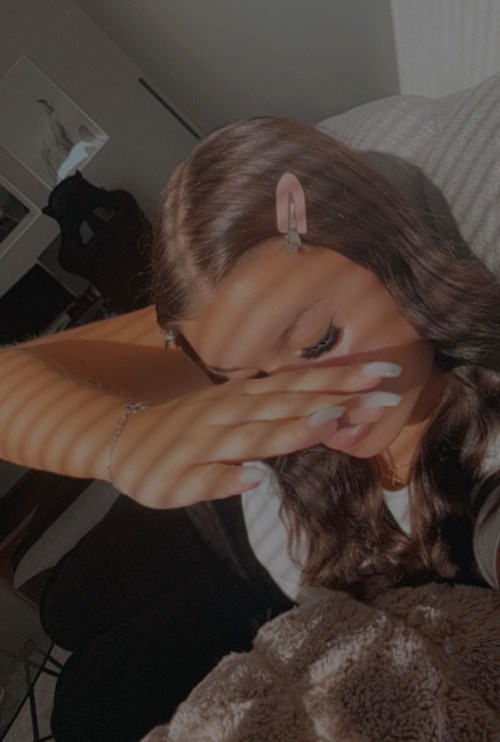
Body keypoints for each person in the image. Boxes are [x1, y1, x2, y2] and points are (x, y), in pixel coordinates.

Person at [1, 116, 499, 740]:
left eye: (317, 343)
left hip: (271, 583)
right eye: (243, 380)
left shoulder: (478, 442)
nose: (300, 409)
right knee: (66, 605)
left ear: (387, 248)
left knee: (87, 706)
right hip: (220, 498)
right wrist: (118, 442)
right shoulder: (242, 298)